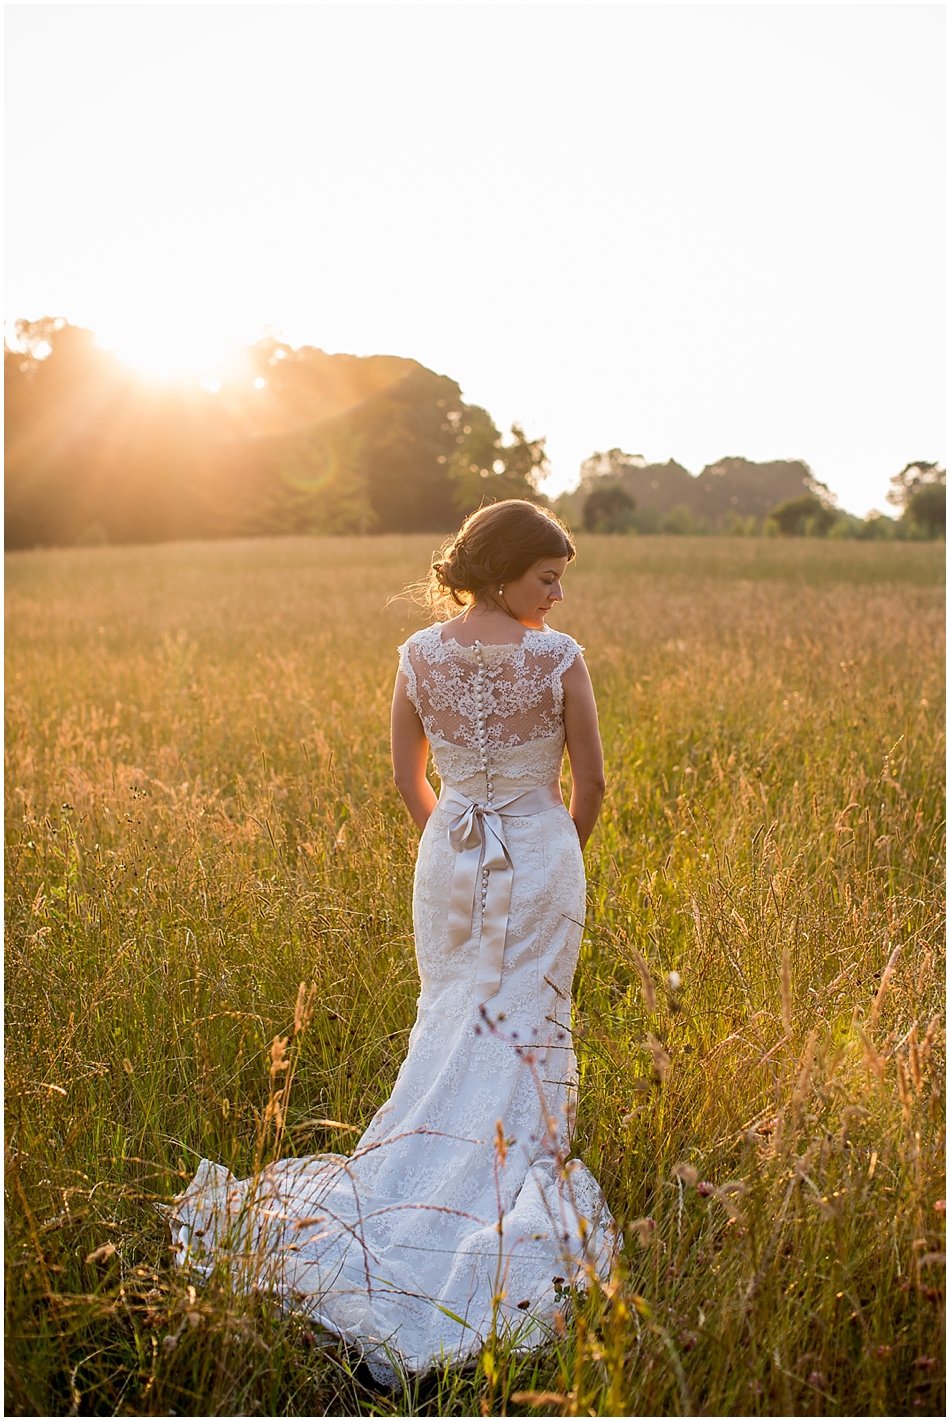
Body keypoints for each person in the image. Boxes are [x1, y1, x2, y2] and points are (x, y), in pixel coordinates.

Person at [168, 500, 616, 1381]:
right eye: (547, 578)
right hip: (540, 847)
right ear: (501, 572)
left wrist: (444, 838)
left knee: (451, 1008)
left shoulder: (419, 655)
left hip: (446, 856)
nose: (557, 598)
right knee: (526, 1010)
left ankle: (429, 1152)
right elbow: (591, 779)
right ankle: (505, 1158)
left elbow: (406, 775)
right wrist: (558, 847)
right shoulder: (559, 660)